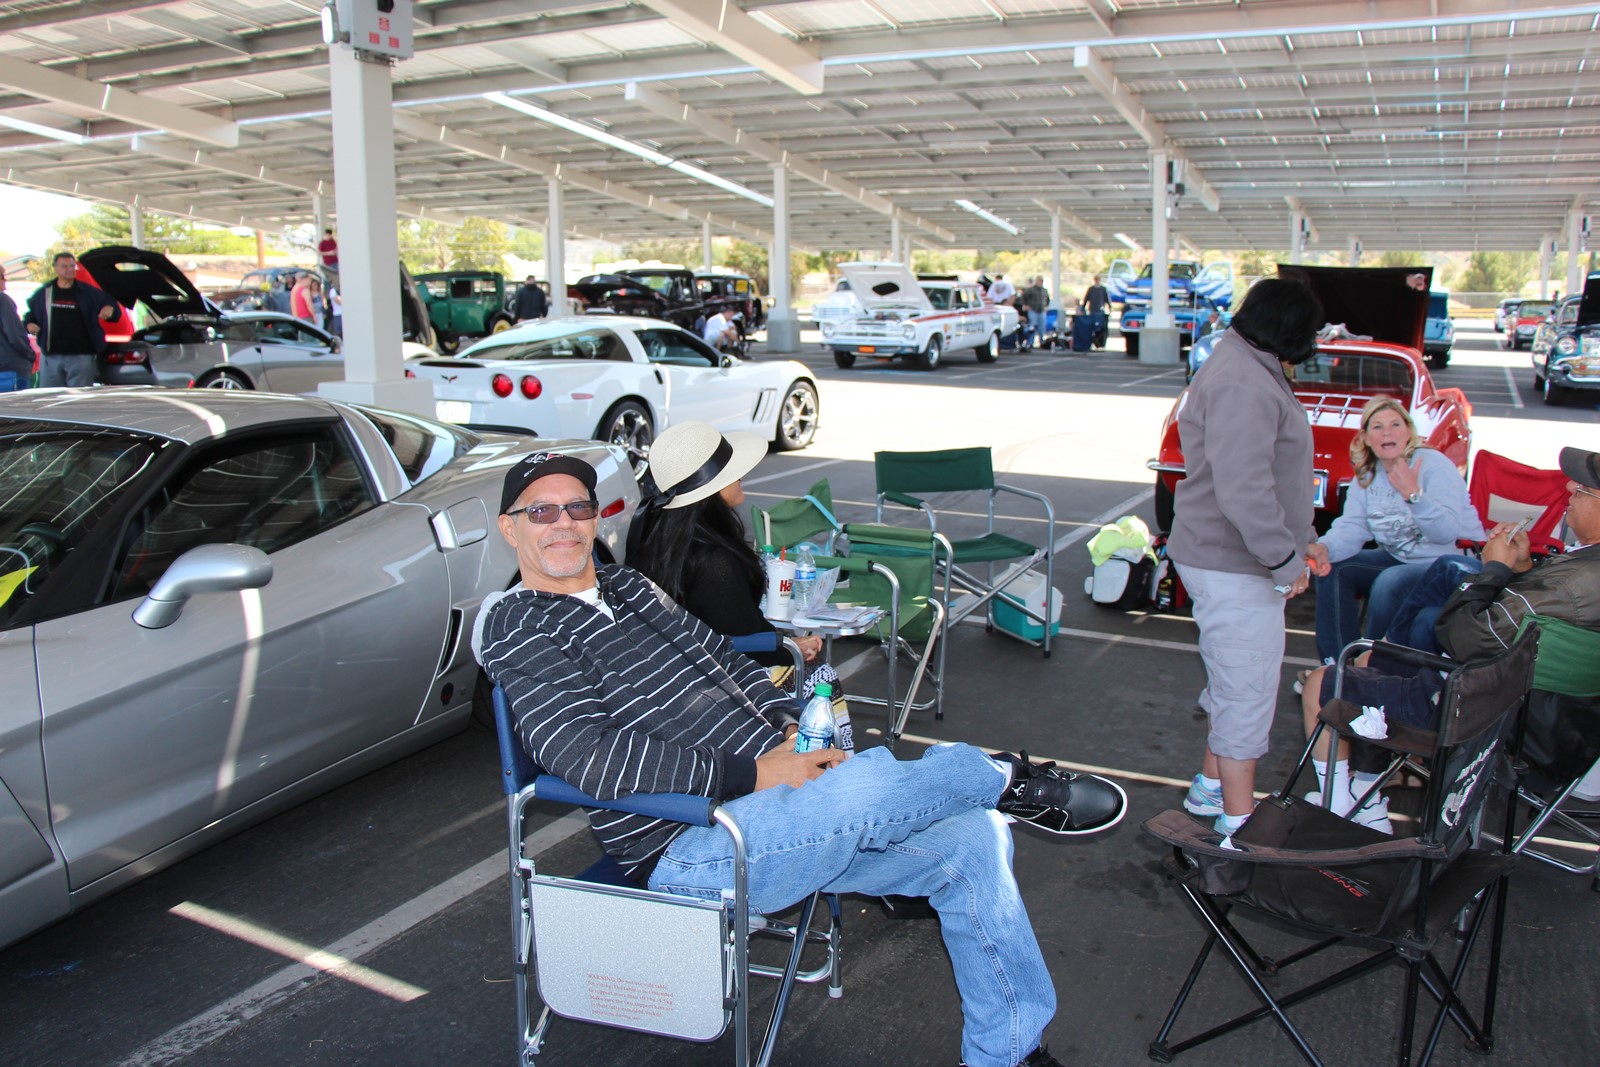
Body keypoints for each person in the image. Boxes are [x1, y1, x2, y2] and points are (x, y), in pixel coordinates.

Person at [475, 451, 1129, 1067]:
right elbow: (590, 757)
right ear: (511, 529)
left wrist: (795, 730)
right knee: (873, 787)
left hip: (780, 805)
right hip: (694, 841)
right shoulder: (522, 625)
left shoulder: (631, 589)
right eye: (541, 511)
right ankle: (1001, 776)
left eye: (577, 507)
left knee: (973, 838)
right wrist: (756, 772)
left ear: (596, 517)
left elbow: (727, 664)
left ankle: (1007, 1051)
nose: (563, 522)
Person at [1296, 445, 1600, 826]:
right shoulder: (1584, 570)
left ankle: (1341, 806)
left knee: (1325, 683)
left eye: (1583, 490)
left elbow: (1462, 637)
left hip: (1485, 718)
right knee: (1433, 588)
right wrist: (1521, 569)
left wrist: (1494, 569)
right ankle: (1367, 782)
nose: (1570, 486)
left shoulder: (1577, 584)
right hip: (1551, 723)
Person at [1168, 278, 1325, 840]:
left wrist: (1297, 539)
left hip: (1230, 557)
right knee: (1246, 690)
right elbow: (1243, 488)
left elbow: (1262, 478)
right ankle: (1240, 825)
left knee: (1236, 678)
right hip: (1235, 562)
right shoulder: (1244, 379)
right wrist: (1285, 559)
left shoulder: (1244, 362)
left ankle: (1211, 789)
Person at [629, 422, 843, 709]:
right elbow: (743, 641)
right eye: (732, 472)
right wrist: (791, 648)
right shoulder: (715, 561)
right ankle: (825, 753)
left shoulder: (662, 538)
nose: (741, 476)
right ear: (711, 489)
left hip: (676, 670)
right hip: (718, 679)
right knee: (823, 678)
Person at [1303, 396, 1484, 670]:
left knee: (1390, 581)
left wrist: (1413, 495)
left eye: (1395, 424)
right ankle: (1337, 666)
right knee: (1335, 568)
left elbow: (1445, 533)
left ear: (1409, 432)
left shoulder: (1433, 465)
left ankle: (1374, 670)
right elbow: (1352, 527)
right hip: (1401, 559)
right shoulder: (1367, 475)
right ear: (1365, 437)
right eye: (1377, 427)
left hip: (1449, 563)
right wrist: (1324, 548)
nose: (1387, 432)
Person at [23, 252, 116, 388]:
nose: (70, 269)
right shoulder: (45, 292)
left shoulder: (87, 291)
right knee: (51, 398)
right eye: (65, 266)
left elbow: (111, 303)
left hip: (81, 356)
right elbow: (31, 315)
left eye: (72, 266)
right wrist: (29, 324)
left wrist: (110, 309)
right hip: (51, 357)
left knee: (78, 400)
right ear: (55, 268)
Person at [0, 266, 36, 391]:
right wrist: (30, 354)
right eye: (2, 276)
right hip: (10, 369)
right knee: (14, 410)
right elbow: (15, 335)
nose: (5, 280)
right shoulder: (2, 300)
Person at [1018, 276, 1050, 351]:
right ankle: (1030, 342)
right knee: (1032, 326)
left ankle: (1042, 342)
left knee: (1042, 327)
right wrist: (1025, 305)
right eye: (1039, 281)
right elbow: (1023, 296)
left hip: (1041, 310)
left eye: (1041, 281)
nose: (1040, 282)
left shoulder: (1044, 290)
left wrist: (1046, 306)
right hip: (1033, 310)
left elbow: (1048, 299)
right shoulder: (1031, 290)